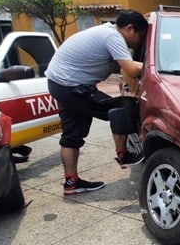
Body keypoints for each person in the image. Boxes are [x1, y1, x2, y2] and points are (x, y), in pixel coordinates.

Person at [45, 10, 148, 195]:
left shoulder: (106, 33)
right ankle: (123, 156)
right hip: (72, 86)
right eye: (141, 37)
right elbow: (132, 70)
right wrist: (159, 66)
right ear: (130, 28)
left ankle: (71, 182)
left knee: (72, 135)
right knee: (123, 107)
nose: (141, 42)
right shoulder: (112, 36)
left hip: (62, 83)